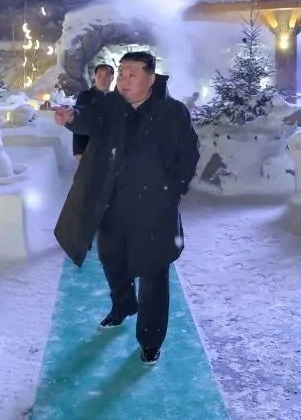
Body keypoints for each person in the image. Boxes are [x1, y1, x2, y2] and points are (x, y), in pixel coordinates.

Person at [53, 50, 200, 365]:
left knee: (153, 274)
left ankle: (150, 339)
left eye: (132, 74)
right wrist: (72, 118)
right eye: (122, 73)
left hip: (153, 210)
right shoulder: (110, 106)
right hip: (112, 205)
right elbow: (89, 120)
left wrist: (172, 190)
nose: (124, 80)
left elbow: (189, 155)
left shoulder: (172, 112)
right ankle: (123, 306)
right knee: (113, 262)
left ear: (151, 78)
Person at [71, 63, 114, 160]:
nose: (102, 80)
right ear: (95, 77)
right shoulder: (85, 96)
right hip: (88, 150)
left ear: (112, 78)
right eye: (99, 76)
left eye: (106, 76)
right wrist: (78, 150)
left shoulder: (115, 98)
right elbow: (79, 122)